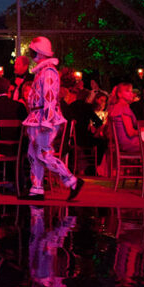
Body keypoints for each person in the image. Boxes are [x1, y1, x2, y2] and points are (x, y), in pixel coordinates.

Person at [22, 38, 83, 201]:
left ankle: (72, 180)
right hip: (37, 116)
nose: (31, 54)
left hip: (43, 117)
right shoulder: (43, 71)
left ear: (40, 52)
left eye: (33, 50)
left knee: (43, 154)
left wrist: (47, 121)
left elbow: (49, 97)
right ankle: (37, 188)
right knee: (34, 154)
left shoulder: (48, 72)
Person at [107, 83, 141, 154]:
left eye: (131, 91)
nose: (131, 94)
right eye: (128, 91)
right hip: (129, 143)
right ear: (119, 94)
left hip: (120, 143)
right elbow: (130, 132)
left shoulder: (114, 107)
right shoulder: (123, 108)